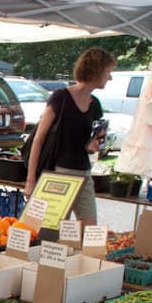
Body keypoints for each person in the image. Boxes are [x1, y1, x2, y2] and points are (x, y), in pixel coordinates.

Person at [25, 47, 116, 227]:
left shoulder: (95, 104)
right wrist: (31, 179)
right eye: (108, 72)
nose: (110, 77)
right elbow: (38, 139)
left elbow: (90, 141)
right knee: (54, 227)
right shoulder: (61, 98)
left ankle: (79, 255)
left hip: (84, 171)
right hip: (60, 171)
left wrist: (94, 144)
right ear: (97, 71)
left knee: (89, 225)